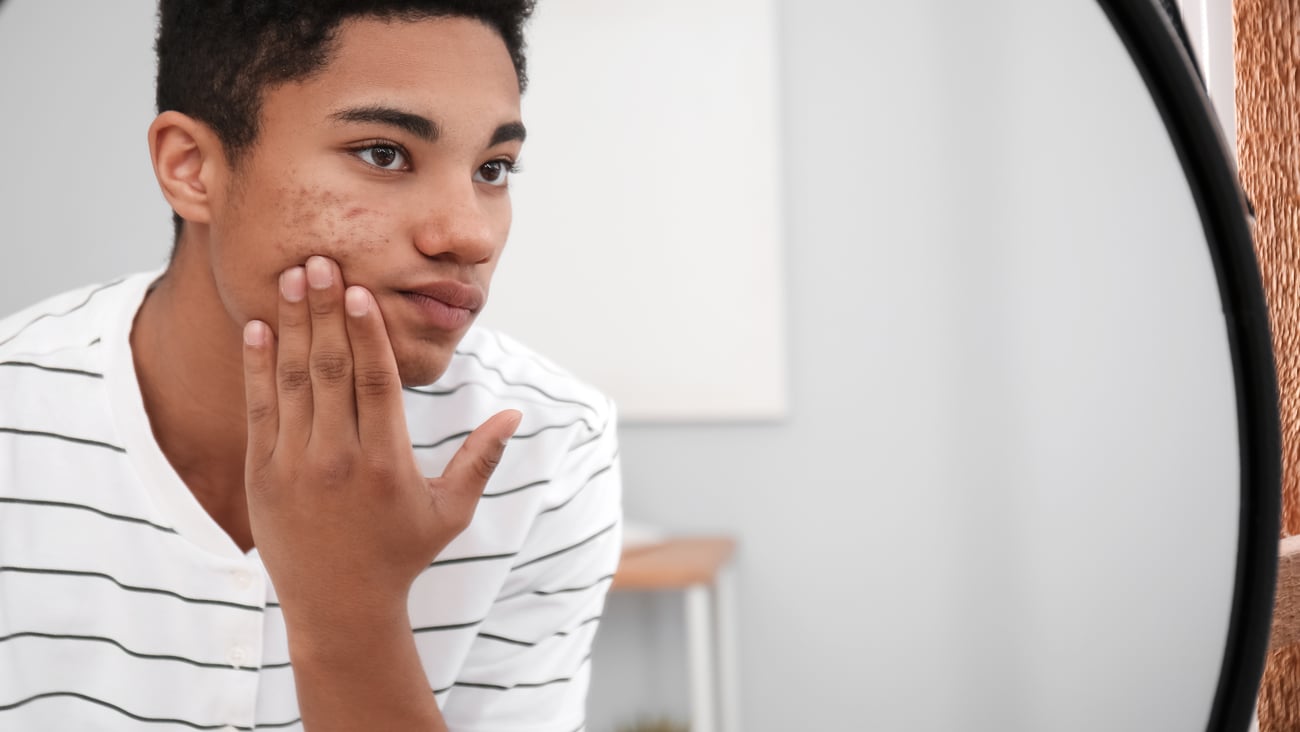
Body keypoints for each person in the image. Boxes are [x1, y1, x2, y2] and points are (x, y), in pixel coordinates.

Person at [0, 2, 622, 730]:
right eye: (384, 154)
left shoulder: (544, 448)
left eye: (493, 168)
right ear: (192, 167)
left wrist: (349, 609)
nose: (470, 234)